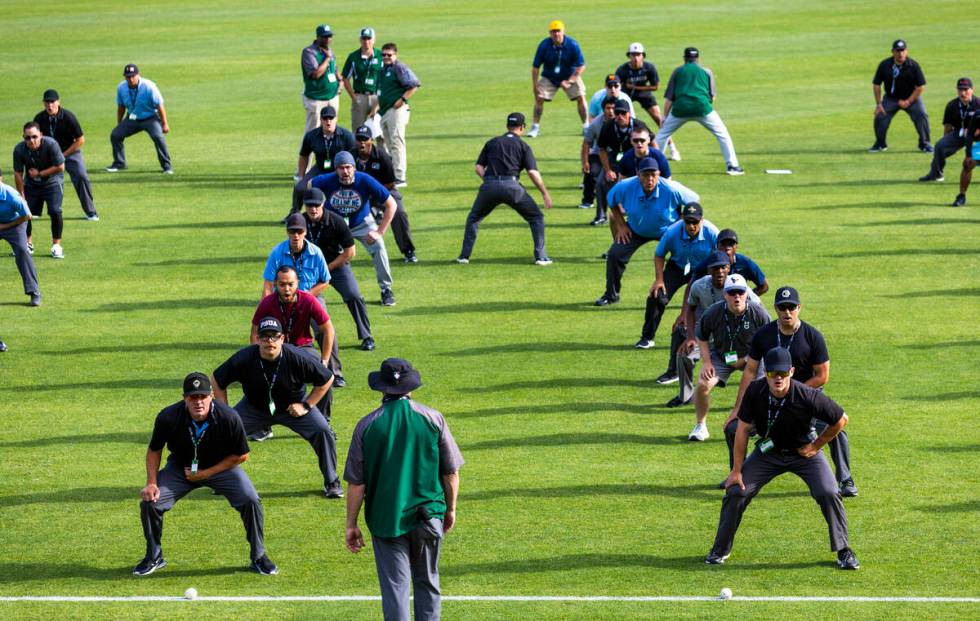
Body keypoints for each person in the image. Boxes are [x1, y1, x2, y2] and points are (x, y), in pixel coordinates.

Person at [706, 347, 860, 570]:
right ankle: (720, 550)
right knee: (736, 491)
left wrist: (816, 446)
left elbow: (841, 419)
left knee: (828, 492)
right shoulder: (755, 391)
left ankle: (843, 551)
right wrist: (736, 470)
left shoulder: (807, 395)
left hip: (802, 453)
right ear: (765, 372)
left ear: (792, 372)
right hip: (769, 453)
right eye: (772, 373)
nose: (777, 378)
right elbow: (742, 430)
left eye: (782, 373)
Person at [344, 358, 464, 621]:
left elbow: (356, 483)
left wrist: (351, 524)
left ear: (381, 388)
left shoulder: (367, 425)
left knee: (395, 589)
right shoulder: (433, 418)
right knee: (428, 582)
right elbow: (451, 472)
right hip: (428, 515)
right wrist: (451, 509)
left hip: (387, 519)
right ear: (411, 386)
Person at [134, 372, 277, 577]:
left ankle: (259, 556)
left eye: (202, 396)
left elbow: (241, 455)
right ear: (185, 398)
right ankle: (154, 556)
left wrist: (206, 473)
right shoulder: (168, 416)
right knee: (151, 502)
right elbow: (154, 450)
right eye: (193, 397)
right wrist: (151, 483)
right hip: (181, 468)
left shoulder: (228, 417)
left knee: (250, 499)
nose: (198, 402)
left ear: (211, 396)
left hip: (221, 467)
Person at [726, 286, 858, 497]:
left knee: (837, 428)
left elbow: (822, 375)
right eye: (782, 307)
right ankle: (737, 473)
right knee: (734, 428)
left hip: (807, 400)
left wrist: (796, 394)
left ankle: (845, 479)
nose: (787, 312)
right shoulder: (764, 335)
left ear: (799, 308)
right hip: (769, 399)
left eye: (791, 307)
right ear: (775, 308)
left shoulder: (813, 336)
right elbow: (750, 371)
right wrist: (738, 408)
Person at [212, 317, 343, 498]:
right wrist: (226, 413)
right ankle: (221, 480)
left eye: (274, 337)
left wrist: (306, 405)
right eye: (265, 337)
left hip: (293, 408)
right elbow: (217, 380)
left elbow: (327, 378)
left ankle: (332, 482)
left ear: (282, 338)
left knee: (323, 431)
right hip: (254, 408)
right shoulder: (244, 358)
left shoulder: (297, 356)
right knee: (224, 431)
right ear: (257, 339)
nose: (270, 342)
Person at [655, 227, 768, 386]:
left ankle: (757, 385)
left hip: (735, 325)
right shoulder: (703, 273)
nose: (720, 271)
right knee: (682, 338)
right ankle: (678, 381)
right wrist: (687, 328)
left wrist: (743, 302)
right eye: (724, 244)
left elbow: (762, 293)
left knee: (752, 358)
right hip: (710, 319)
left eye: (731, 244)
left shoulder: (741, 277)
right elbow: (692, 294)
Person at [595, 158, 697, 307]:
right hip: (635, 230)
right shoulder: (625, 186)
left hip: (668, 230)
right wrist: (622, 225)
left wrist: (682, 223)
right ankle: (611, 295)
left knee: (689, 258)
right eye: (645, 175)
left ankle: (694, 298)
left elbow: (694, 202)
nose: (650, 179)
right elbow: (611, 201)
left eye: (653, 175)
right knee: (615, 254)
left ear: (659, 174)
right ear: (638, 174)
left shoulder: (671, 188)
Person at [457, 112, 554, 266]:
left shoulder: (492, 142)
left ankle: (464, 256)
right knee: (536, 217)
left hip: (489, 187)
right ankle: (541, 257)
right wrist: (545, 193)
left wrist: (490, 181)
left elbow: (478, 167)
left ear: (507, 126)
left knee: (474, 218)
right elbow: (532, 172)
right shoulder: (523, 146)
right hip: (513, 188)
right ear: (522, 127)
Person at [668, 253, 761, 408]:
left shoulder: (738, 287)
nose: (720, 271)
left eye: (723, 267)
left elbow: (759, 310)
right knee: (684, 354)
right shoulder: (699, 286)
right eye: (715, 268)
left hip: (734, 341)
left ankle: (751, 403)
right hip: (707, 336)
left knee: (754, 366)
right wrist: (690, 337)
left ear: (728, 268)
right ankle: (686, 396)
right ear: (708, 270)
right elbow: (690, 309)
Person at [687, 274, 770, 441]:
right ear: (725, 295)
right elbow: (701, 337)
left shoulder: (758, 313)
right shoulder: (714, 312)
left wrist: (753, 359)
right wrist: (707, 362)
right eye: (732, 293)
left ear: (747, 293)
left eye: (740, 292)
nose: (737, 297)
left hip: (752, 357)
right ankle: (700, 426)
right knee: (703, 384)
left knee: (760, 391)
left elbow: (770, 339)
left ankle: (759, 426)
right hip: (722, 356)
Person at [310, 151, 398, 306]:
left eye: (348, 167)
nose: (345, 172)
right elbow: (309, 186)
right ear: (335, 170)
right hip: (335, 225)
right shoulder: (326, 180)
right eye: (341, 168)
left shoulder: (365, 180)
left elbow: (392, 204)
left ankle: (386, 290)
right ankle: (313, 289)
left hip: (361, 223)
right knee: (317, 251)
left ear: (354, 168)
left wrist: (379, 232)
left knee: (379, 246)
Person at [635, 202, 717, 349]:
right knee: (657, 296)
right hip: (678, 266)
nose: (691, 226)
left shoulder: (713, 233)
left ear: (702, 220)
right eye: (688, 222)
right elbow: (659, 255)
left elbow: (720, 257)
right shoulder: (672, 232)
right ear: (682, 219)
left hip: (703, 270)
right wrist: (659, 280)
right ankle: (647, 337)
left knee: (710, 302)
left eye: (695, 222)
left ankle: (710, 340)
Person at [303, 188, 375, 352]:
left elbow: (350, 252)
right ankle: (302, 339)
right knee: (306, 301)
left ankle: (366, 335)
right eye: (309, 206)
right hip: (310, 269)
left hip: (335, 265)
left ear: (323, 204)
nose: (313, 209)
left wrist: (327, 269)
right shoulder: (300, 222)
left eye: (316, 205)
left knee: (353, 295)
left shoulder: (336, 221)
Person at [252, 264, 336, 406]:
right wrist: (258, 357)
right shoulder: (267, 303)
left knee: (324, 376)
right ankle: (263, 425)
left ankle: (324, 422)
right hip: (276, 349)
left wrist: (325, 361)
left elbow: (328, 329)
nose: (286, 289)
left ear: (298, 283)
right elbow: (254, 332)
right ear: (275, 284)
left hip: (304, 348)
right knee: (258, 381)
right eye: (282, 284)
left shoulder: (308, 300)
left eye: (290, 284)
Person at [655, 47, 744, 175]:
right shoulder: (706, 71)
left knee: (663, 134)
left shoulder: (678, 71)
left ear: (684, 59)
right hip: (702, 108)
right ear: (697, 59)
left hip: (680, 109)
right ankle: (732, 166)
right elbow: (712, 97)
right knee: (722, 134)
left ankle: (654, 165)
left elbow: (669, 98)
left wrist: (664, 116)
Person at [354, 125, 417, 262]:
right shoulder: (351, 156)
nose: (362, 142)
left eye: (365, 139)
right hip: (359, 194)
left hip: (383, 191)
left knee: (399, 212)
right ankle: (339, 251)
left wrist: (374, 193)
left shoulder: (381, 156)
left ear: (371, 140)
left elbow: (390, 183)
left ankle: (408, 251)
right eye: (359, 139)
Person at [33, 89, 99, 221]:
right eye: (47, 102)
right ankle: (35, 211)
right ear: (43, 103)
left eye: (52, 102)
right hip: (48, 154)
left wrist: (63, 155)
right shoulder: (39, 118)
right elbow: (35, 138)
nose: (50, 105)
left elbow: (80, 140)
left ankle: (91, 212)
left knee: (81, 176)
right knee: (36, 175)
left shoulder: (68, 117)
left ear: (58, 102)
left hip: (69, 152)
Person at [616, 42, 680, 160]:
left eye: (638, 54)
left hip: (644, 94)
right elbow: (616, 85)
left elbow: (655, 86)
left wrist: (636, 87)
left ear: (643, 56)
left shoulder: (649, 68)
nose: (635, 58)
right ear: (629, 56)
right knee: (623, 119)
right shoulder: (622, 69)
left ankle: (673, 149)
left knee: (660, 120)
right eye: (633, 55)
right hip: (626, 95)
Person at [106, 64, 172, 174]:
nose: (130, 79)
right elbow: (121, 106)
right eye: (128, 76)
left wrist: (165, 124)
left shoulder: (149, 86)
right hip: (132, 117)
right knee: (115, 135)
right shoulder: (121, 87)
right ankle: (119, 163)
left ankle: (166, 166)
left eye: (133, 76)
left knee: (158, 137)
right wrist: (119, 123)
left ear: (138, 75)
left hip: (150, 117)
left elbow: (160, 106)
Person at [13, 122, 65, 259]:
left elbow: (60, 166)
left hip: (52, 181)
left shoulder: (51, 144)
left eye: (34, 136)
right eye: (27, 138)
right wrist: (21, 196)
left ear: (41, 135)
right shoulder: (19, 150)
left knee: (55, 210)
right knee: (24, 210)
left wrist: (40, 173)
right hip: (31, 184)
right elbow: (18, 174)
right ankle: (27, 243)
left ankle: (56, 245)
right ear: (23, 137)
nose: (31, 140)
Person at [291, 105, 357, 213]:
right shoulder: (311, 136)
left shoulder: (346, 136)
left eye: (331, 118)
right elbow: (304, 155)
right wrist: (302, 176)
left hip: (339, 170)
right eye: (325, 118)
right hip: (320, 168)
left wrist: (351, 173)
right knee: (300, 188)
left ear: (336, 119)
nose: (328, 121)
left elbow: (355, 157)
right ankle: (294, 214)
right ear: (320, 120)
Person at [527, 20, 587, 138]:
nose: (556, 34)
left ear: (563, 31)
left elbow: (581, 66)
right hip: (549, 77)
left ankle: (586, 126)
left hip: (569, 75)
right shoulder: (544, 45)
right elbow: (535, 67)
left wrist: (570, 80)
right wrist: (535, 86)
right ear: (550, 33)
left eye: (558, 31)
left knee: (581, 96)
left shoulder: (572, 44)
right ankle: (535, 127)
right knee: (539, 98)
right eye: (553, 32)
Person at [871, 39, 931, 153]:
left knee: (921, 115)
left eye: (903, 50)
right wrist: (879, 104)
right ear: (892, 51)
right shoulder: (884, 65)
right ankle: (880, 144)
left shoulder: (913, 65)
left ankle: (925, 144)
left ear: (907, 51)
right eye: (897, 51)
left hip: (911, 97)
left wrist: (908, 101)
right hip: (891, 98)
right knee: (880, 116)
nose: (900, 53)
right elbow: (876, 84)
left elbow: (920, 86)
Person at [377, 43, 420, 187]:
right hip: (385, 111)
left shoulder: (399, 67)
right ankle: (392, 175)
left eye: (389, 55)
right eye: (383, 55)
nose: (386, 57)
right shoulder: (382, 70)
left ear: (395, 55)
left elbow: (414, 84)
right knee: (389, 143)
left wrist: (402, 99)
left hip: (396, 111)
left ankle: (400, 177)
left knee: (397, 142)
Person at [919, 78, 978, 182]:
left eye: (966, 89)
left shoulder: (978, 104)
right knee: (940, 146)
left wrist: (974, 132)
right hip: (959, 132)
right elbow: (948, 126)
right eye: (960, 90)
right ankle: (936, 174)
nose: (963, 93)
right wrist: (946, 142)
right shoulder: (952, 105)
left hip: (978, 134)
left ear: (972, 89)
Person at [0, 181, 41, 306]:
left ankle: (34, 291)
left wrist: (4, 226)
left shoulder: (11, 196)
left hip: (15, 224)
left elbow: (27, 216)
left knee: (22, 251)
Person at [301, 25, 342, 133]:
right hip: (316, 98)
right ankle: (306, 150)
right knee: (313, 131)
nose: (328, 39)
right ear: (318, 37)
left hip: (332, 97)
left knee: (332, 129)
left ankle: (330, 150)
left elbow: (334, 68)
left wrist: (340, 80)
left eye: (329, 36)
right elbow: (316, 74)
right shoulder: (309, 52)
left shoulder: (329, 50)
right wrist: (327, 58)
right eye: (325, 37)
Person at [580, 97, 616, 214]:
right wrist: (585, 162)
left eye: (613, 108)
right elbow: (586, 143)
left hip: (617, 155)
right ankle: (588, 200)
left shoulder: (622, 120)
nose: (611, 111)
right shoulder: (596, 123)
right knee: (591, 172)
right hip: (598, 153)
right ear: (603, 109)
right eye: (608, 108)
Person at [343, 27, 383, 131]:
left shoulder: (381, 56)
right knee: (358, 130)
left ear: (374, 40)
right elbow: (345, 78)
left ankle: (381, 148)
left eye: (369, 39)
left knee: (380, 131)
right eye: (364, 39)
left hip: (377, 96)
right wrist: (353, 97)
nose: (366, 42)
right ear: (360, 40)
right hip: (360, 96)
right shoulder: (353, 57)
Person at [954, 102, 980, 206]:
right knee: (968, 164)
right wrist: (968, 155)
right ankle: (961, 196)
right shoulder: (978, 115)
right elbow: (969, 135)